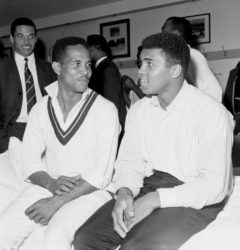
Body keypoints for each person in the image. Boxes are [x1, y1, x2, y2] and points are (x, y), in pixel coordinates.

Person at [73, 32, 233, 250]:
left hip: (196, 195)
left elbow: (215, 185)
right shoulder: (140, 110)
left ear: (175, 70)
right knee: (86, 238)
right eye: (141, 64)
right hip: (150, 186)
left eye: (149, 64)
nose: (140, 72)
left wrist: (155, 199)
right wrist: (125, 192)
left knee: (138, 245)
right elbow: (130, 163)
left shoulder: (211, 113)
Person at [0, 36, 120, 250]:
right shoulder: (40, 108)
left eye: (88, 64)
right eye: (76, 64)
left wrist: (56, 202)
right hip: (50, 185)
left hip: (91, 191)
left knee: (55, 236)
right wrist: (51, 185)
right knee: (3, 230)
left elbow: (100, 175)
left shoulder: (105, 110)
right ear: (57, 67)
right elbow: (29, 161)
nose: (86, 71)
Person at [0, 17, 56, 154]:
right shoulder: (1, 69)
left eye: (31, 36)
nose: (27, 42)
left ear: (36, 39)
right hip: (11, 134)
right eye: (21, 36)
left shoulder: (49, 69)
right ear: (12, 39)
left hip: (45, 133)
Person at [162, 16, 223, 102]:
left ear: (175, 34)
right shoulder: (170, 59)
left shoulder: (192, 56)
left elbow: (214, 91)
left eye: (164, 31)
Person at [87, 34, 127, 130]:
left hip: (110, 123)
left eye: (88, 47)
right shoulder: (98, 67)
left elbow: (113, 100)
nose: (86, 51)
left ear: (97, 46)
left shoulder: (108, 68)